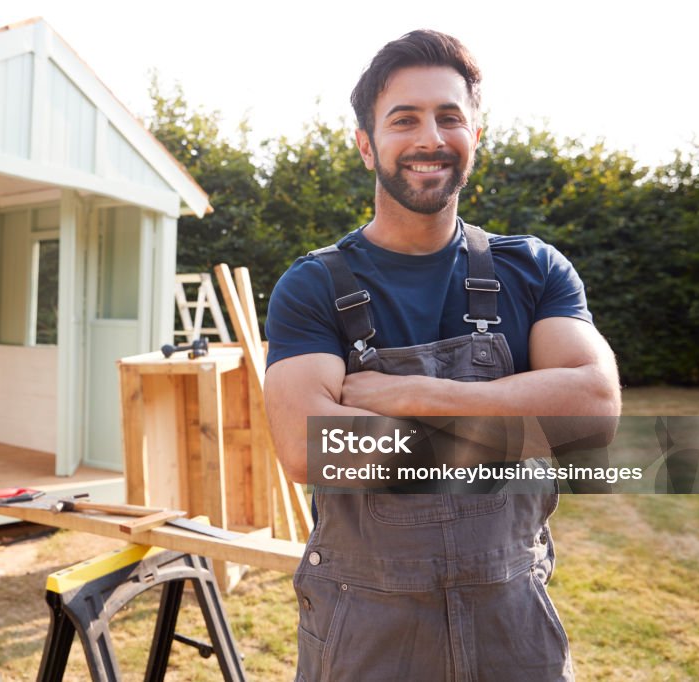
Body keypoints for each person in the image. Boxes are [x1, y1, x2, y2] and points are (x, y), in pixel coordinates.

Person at [263, 30, 621, 681]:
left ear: (475, 134)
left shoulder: (534, 270)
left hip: (514, 631)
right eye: (404, 119)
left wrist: (421, 397)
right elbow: (310, 450)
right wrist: (521, 419)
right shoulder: (312, 287)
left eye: (449, 117)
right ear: (366, 143)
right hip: (366, 635)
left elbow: (595, 412)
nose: (430, 137)